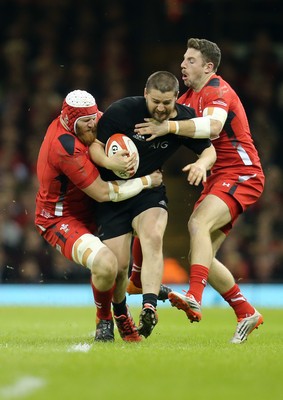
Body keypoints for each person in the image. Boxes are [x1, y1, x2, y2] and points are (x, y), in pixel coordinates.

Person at [134, 38, 265, 344]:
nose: (183, 64)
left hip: (241, 172)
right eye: (183, 59)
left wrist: (169, 128)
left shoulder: (216, 89)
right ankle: (246, 311)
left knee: (197, 224)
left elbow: (215, 127)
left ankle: (194, 295)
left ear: (208, 67)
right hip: (218, 175)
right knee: (202, 254)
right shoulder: (188, 99)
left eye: (190, 60)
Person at [89, 71, 216, 338]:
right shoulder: (123, 111)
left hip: (150, 191)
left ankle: (149, 306)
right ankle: (119, 313)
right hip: (115, 194)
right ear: (146, 94)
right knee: (118, 266)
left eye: (167, 103)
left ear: (175, 99)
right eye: (155, 101)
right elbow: (96, 147)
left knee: (153, 236)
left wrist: (202, 164)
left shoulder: (182, 117)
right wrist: (111, 163)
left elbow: (209, 149)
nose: (161, 108)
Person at [34, 89, 163, 343]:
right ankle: (105, 319)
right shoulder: (64, 148)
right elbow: (103, 193)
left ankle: (131, 290)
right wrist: (147, 180)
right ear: (71, 123)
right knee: (106, 264)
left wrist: (110, 159)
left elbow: (95, 139)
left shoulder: (85, 123)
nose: (94, 123)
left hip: (90, 211)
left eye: (95, 116)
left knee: (143, 225)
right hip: (60, 219)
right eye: (87, 121)